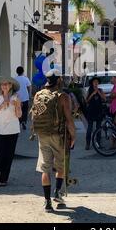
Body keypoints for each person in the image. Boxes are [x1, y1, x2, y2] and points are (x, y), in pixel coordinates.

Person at [32, 69, 76, 213]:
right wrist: (73, 136)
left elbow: (34, 116)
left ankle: (47, 202)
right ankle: (57, 192)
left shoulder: (38, 95)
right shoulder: (63, 96)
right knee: (61, 165)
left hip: (42, 135)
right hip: (59, 136)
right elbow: (69, 120)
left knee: (45, 168)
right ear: (58, 80)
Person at [0, 77, 22, 187]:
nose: (5, 86)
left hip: (13, 130)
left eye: (7, 84)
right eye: (3, 84)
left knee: (9, 155)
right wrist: (1, 105)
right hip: (0, 131)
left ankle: (3, 179)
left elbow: (19, 115)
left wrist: (17, 106)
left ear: (11, 86)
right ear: (0, 86)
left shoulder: (16, 97)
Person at [85, 77, 106, 150]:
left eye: (97, 82)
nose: (96, 83)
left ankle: (98, 143)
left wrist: (99, 93)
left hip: (99, 111)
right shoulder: (89, 90)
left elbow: (104, 99)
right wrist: (93, 94)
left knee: (98, 128)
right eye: (94, 82)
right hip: (91, 111)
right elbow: (86, 101)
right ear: (92, 83)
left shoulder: (100, 90)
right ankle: (87, 144)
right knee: (90, 128)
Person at [15, 66, 31, 130]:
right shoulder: (25, 79)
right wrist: (28, 94)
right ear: (23, 72)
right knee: (25, 111)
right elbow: (29, 87)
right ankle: (24, 121)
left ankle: (19, 121)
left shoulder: (15, 79)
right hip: (25, 98)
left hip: (17, 98)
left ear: (16, 72)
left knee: (18, 110)